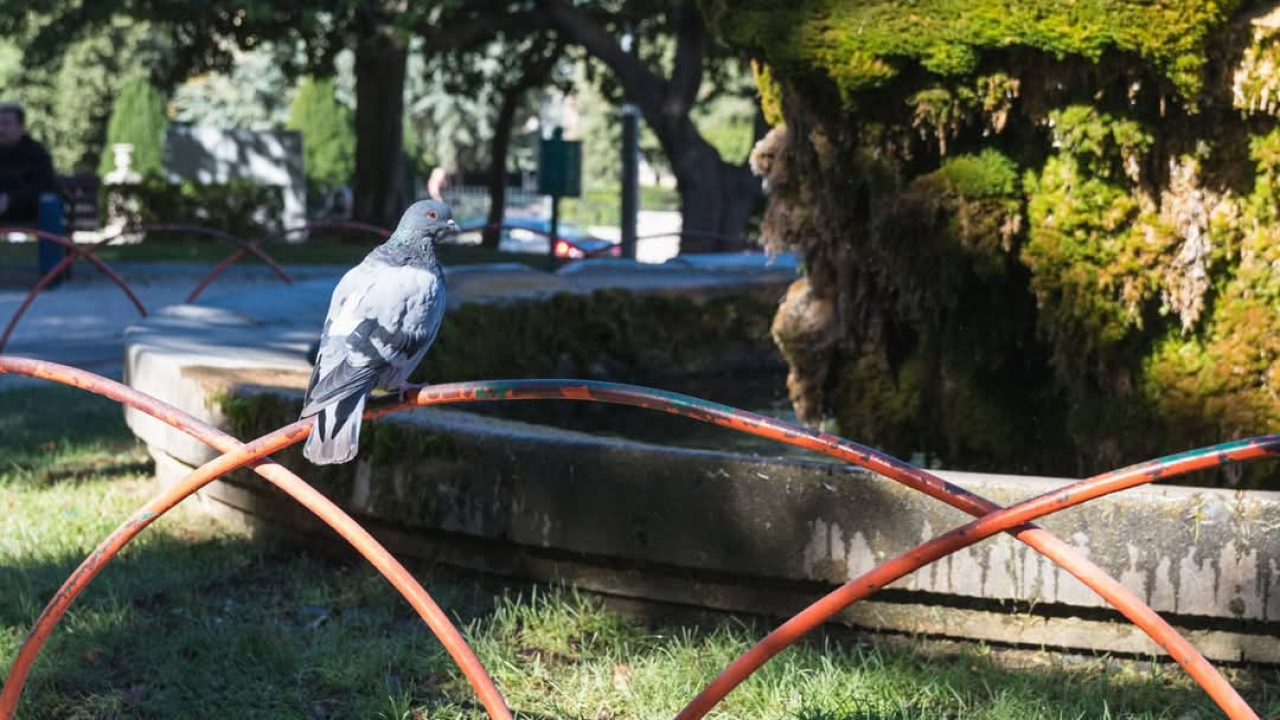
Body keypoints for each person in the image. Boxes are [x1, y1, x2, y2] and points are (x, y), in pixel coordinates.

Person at [0, 101, 57, 224]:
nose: (1, 129)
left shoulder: (37, 154)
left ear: (21, 127)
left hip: (29, 218)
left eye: (6, 124)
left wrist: (11, 199)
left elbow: (45, 188)